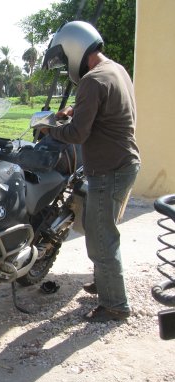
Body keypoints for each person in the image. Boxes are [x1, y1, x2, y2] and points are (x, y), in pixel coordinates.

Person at [40, 21, 141, 322]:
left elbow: (77, 134)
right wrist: (74, 111)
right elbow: (101, 111)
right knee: (101, 227)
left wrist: (48, 129)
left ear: (75, 49)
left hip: (109, 170)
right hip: (124, 164)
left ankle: (115, 305)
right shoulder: (115, 70)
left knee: (101, 237)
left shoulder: (92, 80)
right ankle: (104, 282)